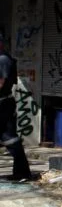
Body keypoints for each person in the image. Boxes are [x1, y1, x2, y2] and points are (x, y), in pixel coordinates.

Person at [0, 33, 32, 181]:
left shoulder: (3, 59)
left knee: (10, 138)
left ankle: (22, 172)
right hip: (4, 103)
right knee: (9, 138)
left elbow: (1, 82)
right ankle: (21, 172)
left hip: (3, 104)